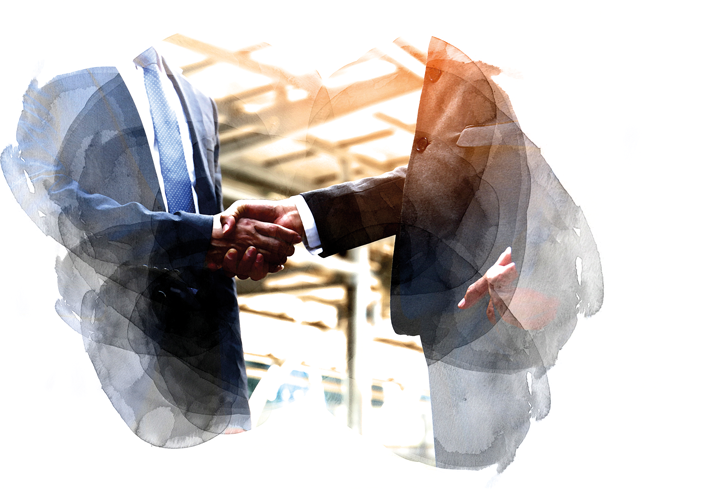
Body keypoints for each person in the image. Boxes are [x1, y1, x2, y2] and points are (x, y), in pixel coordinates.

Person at [223, 37, 603, 470]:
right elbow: (452, 168)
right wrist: (301, 214)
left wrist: (542, 272)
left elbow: (551, 148)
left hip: (498, 313)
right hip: (482, 307)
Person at [0, 46, 300, 447]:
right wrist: (203, 234)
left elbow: (214, 262)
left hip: (194, 376)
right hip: (94, 358)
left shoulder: (198, 100)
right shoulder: (50, 77)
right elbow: (51, 204)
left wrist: (231, 398)